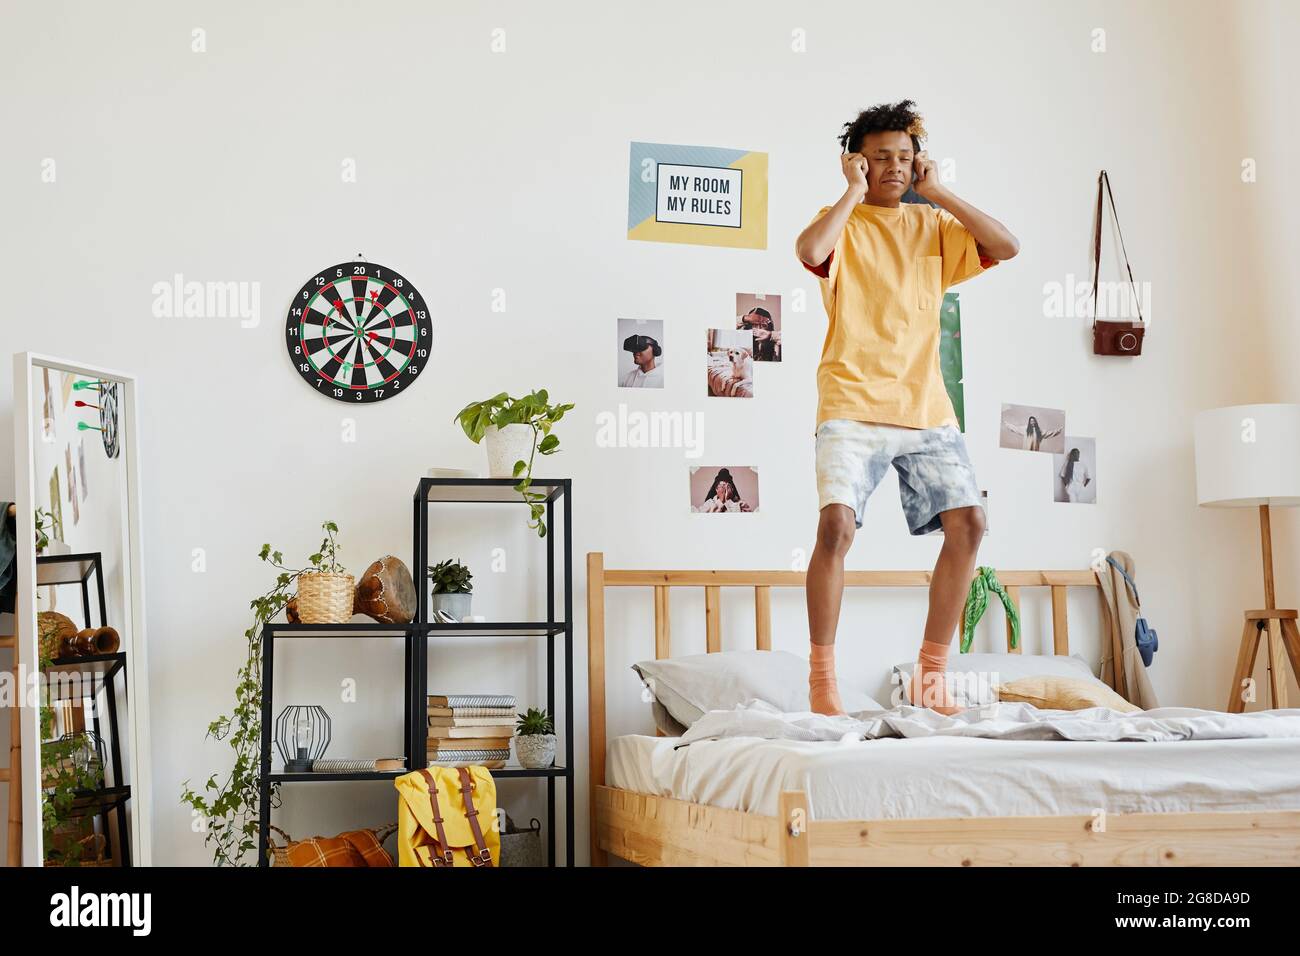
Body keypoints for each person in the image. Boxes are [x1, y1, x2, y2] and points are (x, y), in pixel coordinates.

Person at [794, 99, 1019, 716]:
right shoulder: (840, 221)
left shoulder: (935, 227)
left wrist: (939, 191)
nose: (894, 166)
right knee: (835, 528)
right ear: (858, 164)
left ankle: (930, 677)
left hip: (926, 408)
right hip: (851, 399)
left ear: (918, 160)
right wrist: (849, 193)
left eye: (904, 156)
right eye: (879, 159)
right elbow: (809, 248)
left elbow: (1008, 244)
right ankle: (822, 683)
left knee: (970, 525)